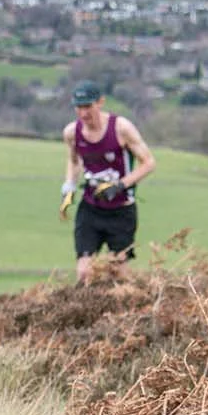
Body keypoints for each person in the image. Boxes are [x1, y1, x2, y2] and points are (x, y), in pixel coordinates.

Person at [60, 82, 154, 281]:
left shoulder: (121, 128)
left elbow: (148, 163)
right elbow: (73, 160)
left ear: (100, 103)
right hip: (90, 208)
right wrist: (69, 186)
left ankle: (126, 307)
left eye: (88, 106)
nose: (84, 113)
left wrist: (120, 185)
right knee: (84, 271)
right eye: (79, 107)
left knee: (118, 272)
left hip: (121, 210)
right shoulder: (71, 132)